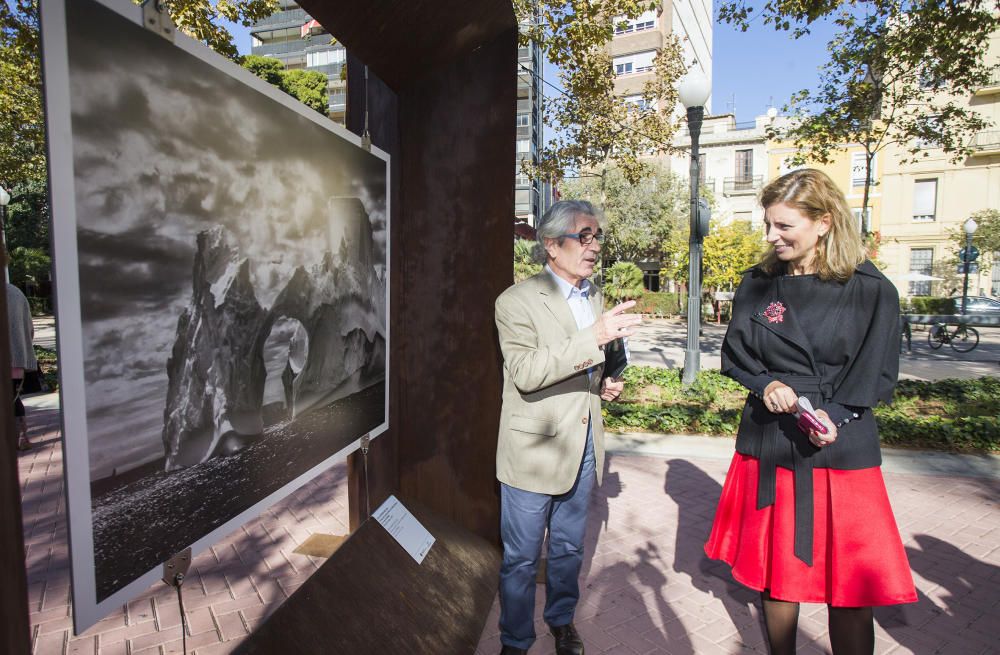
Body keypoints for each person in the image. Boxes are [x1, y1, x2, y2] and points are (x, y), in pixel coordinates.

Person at [704, 169, 916, 654]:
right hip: (772, 440)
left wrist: (833, 417)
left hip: (841, 448)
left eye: (783, 226)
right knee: (778, 577)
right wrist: (766, 383)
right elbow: (736, 356)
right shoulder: (757, 284)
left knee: (850, 587)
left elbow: (877, 371)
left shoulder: (869, 288)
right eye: (768, 224)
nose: (771, 236)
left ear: (823, 222)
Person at [494, 200, 641, 655]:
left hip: (584, 446)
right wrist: (593, 337)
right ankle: (515, 641)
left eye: (597, 236)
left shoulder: (592, 296)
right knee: (520, 559)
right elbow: (526, 372)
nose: (594, 246)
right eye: (584, 236)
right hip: (534, 448)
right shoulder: (515, 301)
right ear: (552, 245)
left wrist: (602, 387)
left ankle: (561, 621)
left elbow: (586, 367)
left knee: (568, 550)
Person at [3, 245, 38, 450]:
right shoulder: (16, 293)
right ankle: (22, 436)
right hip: (17, 359)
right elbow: (30, 328)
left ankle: (16, 437)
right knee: (13, 398)